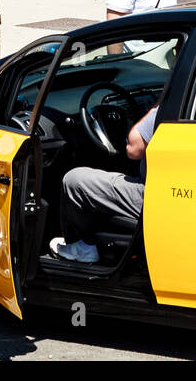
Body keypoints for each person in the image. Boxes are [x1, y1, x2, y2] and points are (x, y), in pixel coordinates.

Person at [49, 105, 157, 263]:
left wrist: (158, 105)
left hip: (153, 193)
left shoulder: (175, 103)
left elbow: (132, 148)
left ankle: (83, 248)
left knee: (73, 180)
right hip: (179, 189)